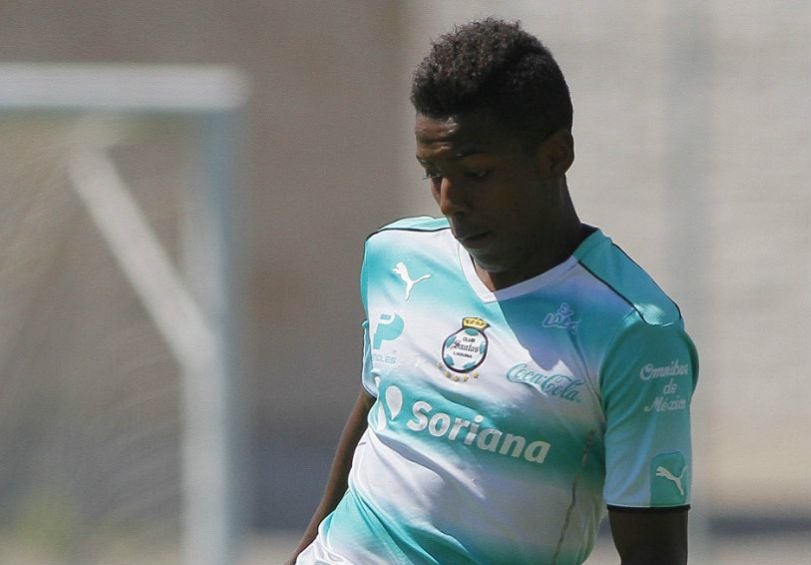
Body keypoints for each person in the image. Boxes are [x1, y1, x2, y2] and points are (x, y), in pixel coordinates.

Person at [288, 18, 697, 565]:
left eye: (476, 173)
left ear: (555, 156)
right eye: (432, 172)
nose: (448, 199)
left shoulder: (634, 332)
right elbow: (379, 402)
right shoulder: (396, 259)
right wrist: (305, 548)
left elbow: (654, 553)